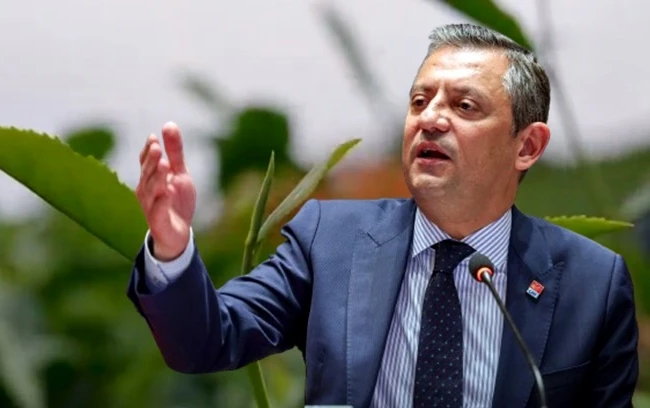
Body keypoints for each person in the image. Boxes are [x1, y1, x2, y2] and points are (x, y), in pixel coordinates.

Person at [127, 23, 639, 407]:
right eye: (419, 101)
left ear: (527, 146)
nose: (430, 119)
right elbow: (205, 341)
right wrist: (172, 248)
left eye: (464, 106)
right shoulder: (330, 241)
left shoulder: (592, 284)